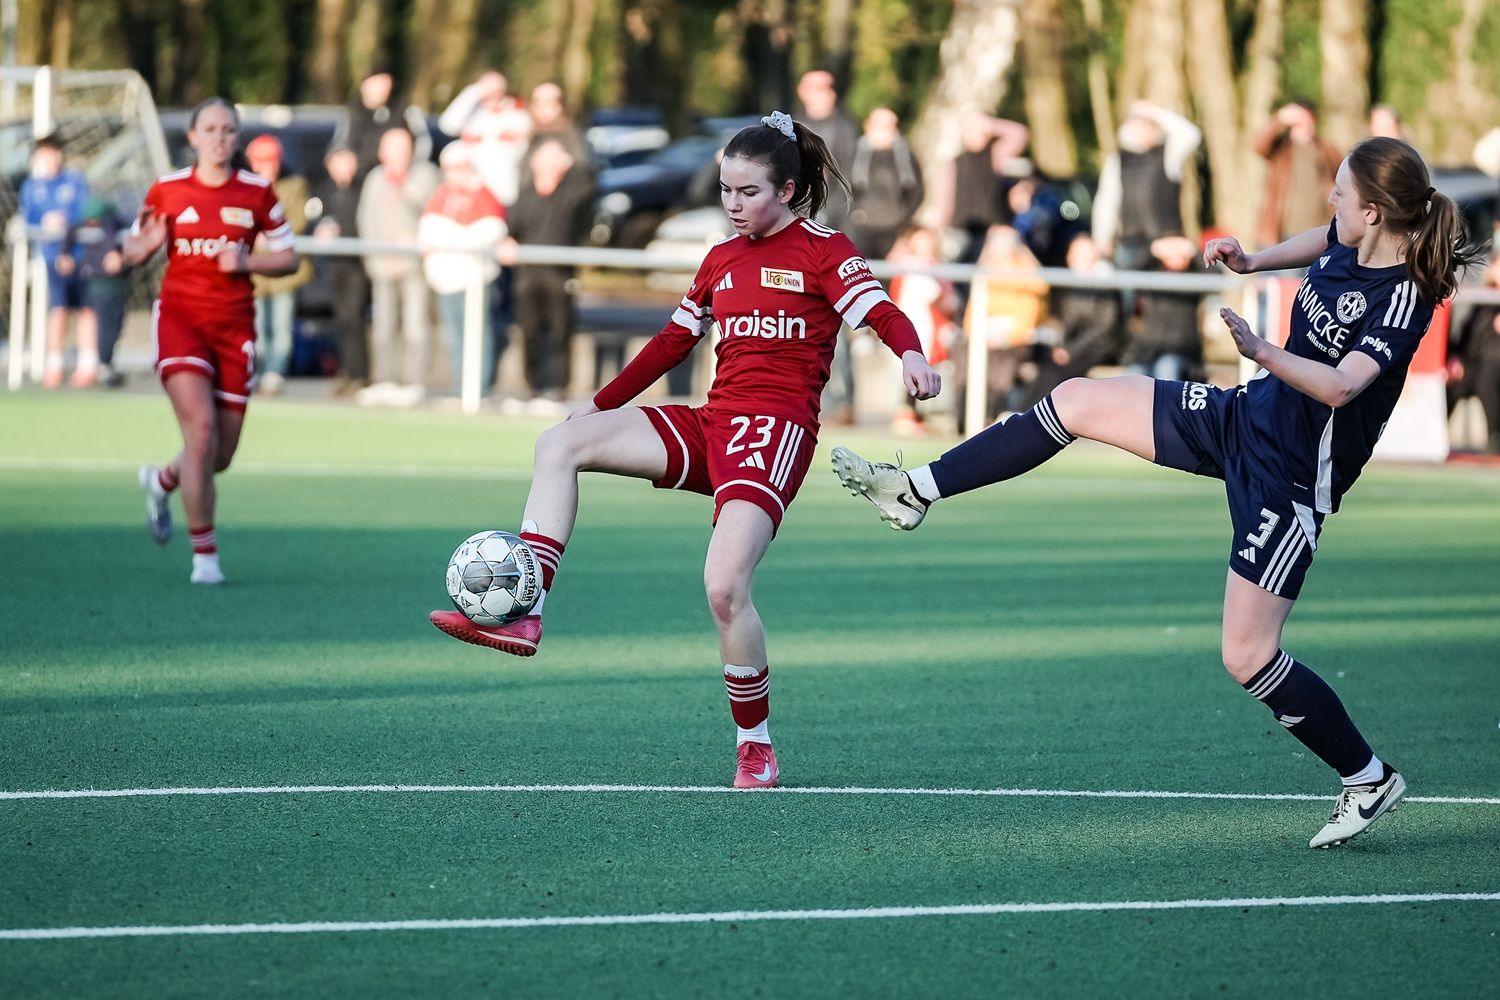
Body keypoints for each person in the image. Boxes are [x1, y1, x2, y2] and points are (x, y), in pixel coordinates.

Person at [831, 136, 1480, 848]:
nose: (1329, 203)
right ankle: (916, 488)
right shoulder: (1350, 235)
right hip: (1243, 419)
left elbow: (1340, 385)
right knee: (1076, 398)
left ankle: (1368, 778)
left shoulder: (1404, 297)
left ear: (1377, 212)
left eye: (1339, 193)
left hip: (1291, 483)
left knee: (1247, 655)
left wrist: (1262, 349)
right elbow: (1318, 240)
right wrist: (1254, 260)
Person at [429, 111, 942, 790]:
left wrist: (911, 354)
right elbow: (674, 343)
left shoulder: (826, 251)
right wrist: (602, 404)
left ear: (786, 190)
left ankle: (754, 745)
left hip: (774, 434)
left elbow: (883, 312)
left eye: (748, 192)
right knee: (559, 443)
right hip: (712, 424)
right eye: (726, 190)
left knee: (725, 589)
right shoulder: (721, 258)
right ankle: (527, 613)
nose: (733, 204)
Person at [123, 98, 300, 585]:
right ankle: (205, 558)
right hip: (181, 320)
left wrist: (246, 263)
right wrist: (137, 250)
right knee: (200, 433)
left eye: (229, 130)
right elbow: (134, 244)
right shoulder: (169, 190)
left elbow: (289, 257)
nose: (220, 138)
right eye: (211, 129)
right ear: (193, 137)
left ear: (236, 137)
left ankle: (161, 482)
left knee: (218, 454)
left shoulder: (258, 192)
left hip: (234, 328)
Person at [498, 138, 595, 408]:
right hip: (528, 275)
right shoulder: (526, 193)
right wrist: (507, 242)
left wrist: (571, 166)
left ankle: (558, 389)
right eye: (544, 158)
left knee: (560, 330)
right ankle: (532, 389)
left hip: (559, 274)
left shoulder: (572, 190)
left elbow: (588, 189)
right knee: (529, 331)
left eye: (556, 158)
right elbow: (511, 228)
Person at [356, 126, 439, 407]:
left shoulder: (425, 174)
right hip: (382, 264)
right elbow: (365, 219)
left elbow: (434, 210)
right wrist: (372, 257)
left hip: (414, 265)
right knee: (383, 325)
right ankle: (385, 379)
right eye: (392, 149)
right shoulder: (375, 178)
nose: (398, 155)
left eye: (403, 149)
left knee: (416, 324)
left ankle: (414, 381)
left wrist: (405, 186)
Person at [418, 141, 505, 398]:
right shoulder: (441, 194)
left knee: (477, 333)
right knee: (453, 334)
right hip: (445, 277)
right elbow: (428, 230)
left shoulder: (483, 194)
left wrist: (451, 239)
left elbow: (491, 231)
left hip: (474, 278)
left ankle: (479, 386)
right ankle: (460, 383)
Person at [20, 134, 95, 389]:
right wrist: (45, 224)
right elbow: (28, 220)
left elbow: (85, 213)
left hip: (80, 256)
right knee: (59, 308)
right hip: (53, 258)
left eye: (54, 153)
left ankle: (88, 365)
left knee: (86, 309)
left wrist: (68, 230)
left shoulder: (74, 182)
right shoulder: (32, 187)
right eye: (44, 154)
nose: (50, 159)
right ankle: (54, 365)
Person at [1016, 233, 1122, 410]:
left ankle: (1028, 413)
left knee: (1054, 371)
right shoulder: (1074, 284)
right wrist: (1061, 346)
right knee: (1046, 363)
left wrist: (1069, 350)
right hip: (1074, 347)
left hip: (1099, 348)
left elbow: (1103, 328)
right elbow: (1069, 323)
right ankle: (1025, 413)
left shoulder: (1105, 284)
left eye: (1078, 253)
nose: (1071, 258)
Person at [1092, 101, 1201, 271]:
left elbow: (1191, 134)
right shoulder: (1117, 162)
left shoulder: (1168, 156)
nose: (1144, 130)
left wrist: (1153, 111)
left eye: (1148, 125)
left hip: (1167, 250)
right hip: (1130, 246)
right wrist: (1102, 242)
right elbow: (1106, 203)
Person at [245, 135, 314, 395]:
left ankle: (275, 371)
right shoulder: (245, 188)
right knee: (256, 325)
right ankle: (257, 370)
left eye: (271, 162)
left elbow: (297, 220)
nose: (268, 168)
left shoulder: (293, 186)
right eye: (262, 163)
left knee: (282, 325)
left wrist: (270, 235)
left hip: (283, 271)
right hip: (256, 272)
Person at [310, 146, 371, 396]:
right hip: (334, 263)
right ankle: (344, 372)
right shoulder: (324, 190)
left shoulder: (362, 190)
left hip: (357, 263)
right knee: (341, 319)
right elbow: (316, 220)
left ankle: (360, 374)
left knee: (355, 318)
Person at [58, 196, 130, 388]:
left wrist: (116, 253)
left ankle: (105, 363)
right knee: (102, 325)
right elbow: (71, 231)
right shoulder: (83, 227)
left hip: (116, 285)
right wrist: (64, 253)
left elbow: (113, 232)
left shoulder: (114, 226)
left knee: (113, 326)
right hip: (97, 285)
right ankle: (103, 365)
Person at [1254, 101, 1342, 248]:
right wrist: (1280, 120)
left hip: (1320, 232)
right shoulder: (1282, 150)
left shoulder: (1325, 149)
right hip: (1285, 233)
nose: (1305, 124)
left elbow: (1341, 173)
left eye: (1308, 119)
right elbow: (1260, 145)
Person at [332, 65, 431, 182]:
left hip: (396, 177)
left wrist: (410, 167)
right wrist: (341, 157)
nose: (381, 88)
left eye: (385, 82)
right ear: (364, 86)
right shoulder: (352, 112)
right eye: (376, 83)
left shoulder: (405, 110)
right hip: (359, 176)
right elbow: (340, 142)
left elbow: (423, 142)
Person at [1126, 234, 1204, 382]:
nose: (1176, 256)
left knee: (1166, 370)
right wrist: (1152, 250)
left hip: (1182, 349)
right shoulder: (1153, 275)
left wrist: (1194, 251)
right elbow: (1129, 269)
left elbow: (1215, 274)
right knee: (1131, 377)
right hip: (1149, 349)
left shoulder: (1193, 277)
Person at [1446, 258, 1500, 453]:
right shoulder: (1482, 301)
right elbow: (1465, 337)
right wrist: (1456, 359)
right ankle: (1436, 434)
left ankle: (1495, 439)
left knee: (1487, 377)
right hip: (1472, 363)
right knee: (1450, 382)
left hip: (1493, 364)